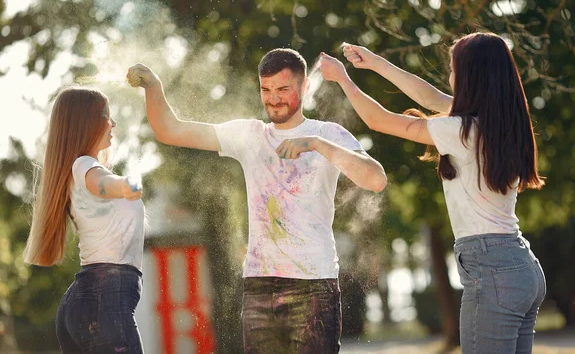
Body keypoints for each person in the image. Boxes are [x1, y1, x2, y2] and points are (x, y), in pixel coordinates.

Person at [126, 48, 387, 353]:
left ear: (305, 87)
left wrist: (316, 144)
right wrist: (154, 86)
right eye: (266, 89)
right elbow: (170, 130)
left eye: (283, 89)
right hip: (259, 286)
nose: (273, 98)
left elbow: (376, 179)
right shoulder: (250, 135)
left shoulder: (327, 134)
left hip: (313, 285)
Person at [319, 32, 546, 354]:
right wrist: (375, 63)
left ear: (471, 76)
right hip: (521, 267)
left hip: (493, 268)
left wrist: (343, 79)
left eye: (454, 68)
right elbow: (429, 97)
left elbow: (377, 120)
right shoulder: (502, 121)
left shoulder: (461, 131)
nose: (450, 76)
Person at [23, 87, 146, 353]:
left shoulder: (77, 169)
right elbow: (102, 184)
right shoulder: (83, 166)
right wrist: (124, 184)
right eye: (106, 116)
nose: (112, 124)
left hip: (88, 303)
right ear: (85, 122)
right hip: (103, 303)